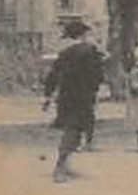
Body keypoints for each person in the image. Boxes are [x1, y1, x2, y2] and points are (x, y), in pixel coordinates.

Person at [42, 20, 105, 183]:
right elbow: (97, 75)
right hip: (83, 97)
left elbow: (53, 75)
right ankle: (60, 167)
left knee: (73, 129)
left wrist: (47, 95)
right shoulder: (90, 51)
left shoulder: (65, 53)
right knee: (74, 130)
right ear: (83, 34)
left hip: (66, 97)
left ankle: (65, 164)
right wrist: (97, 88)